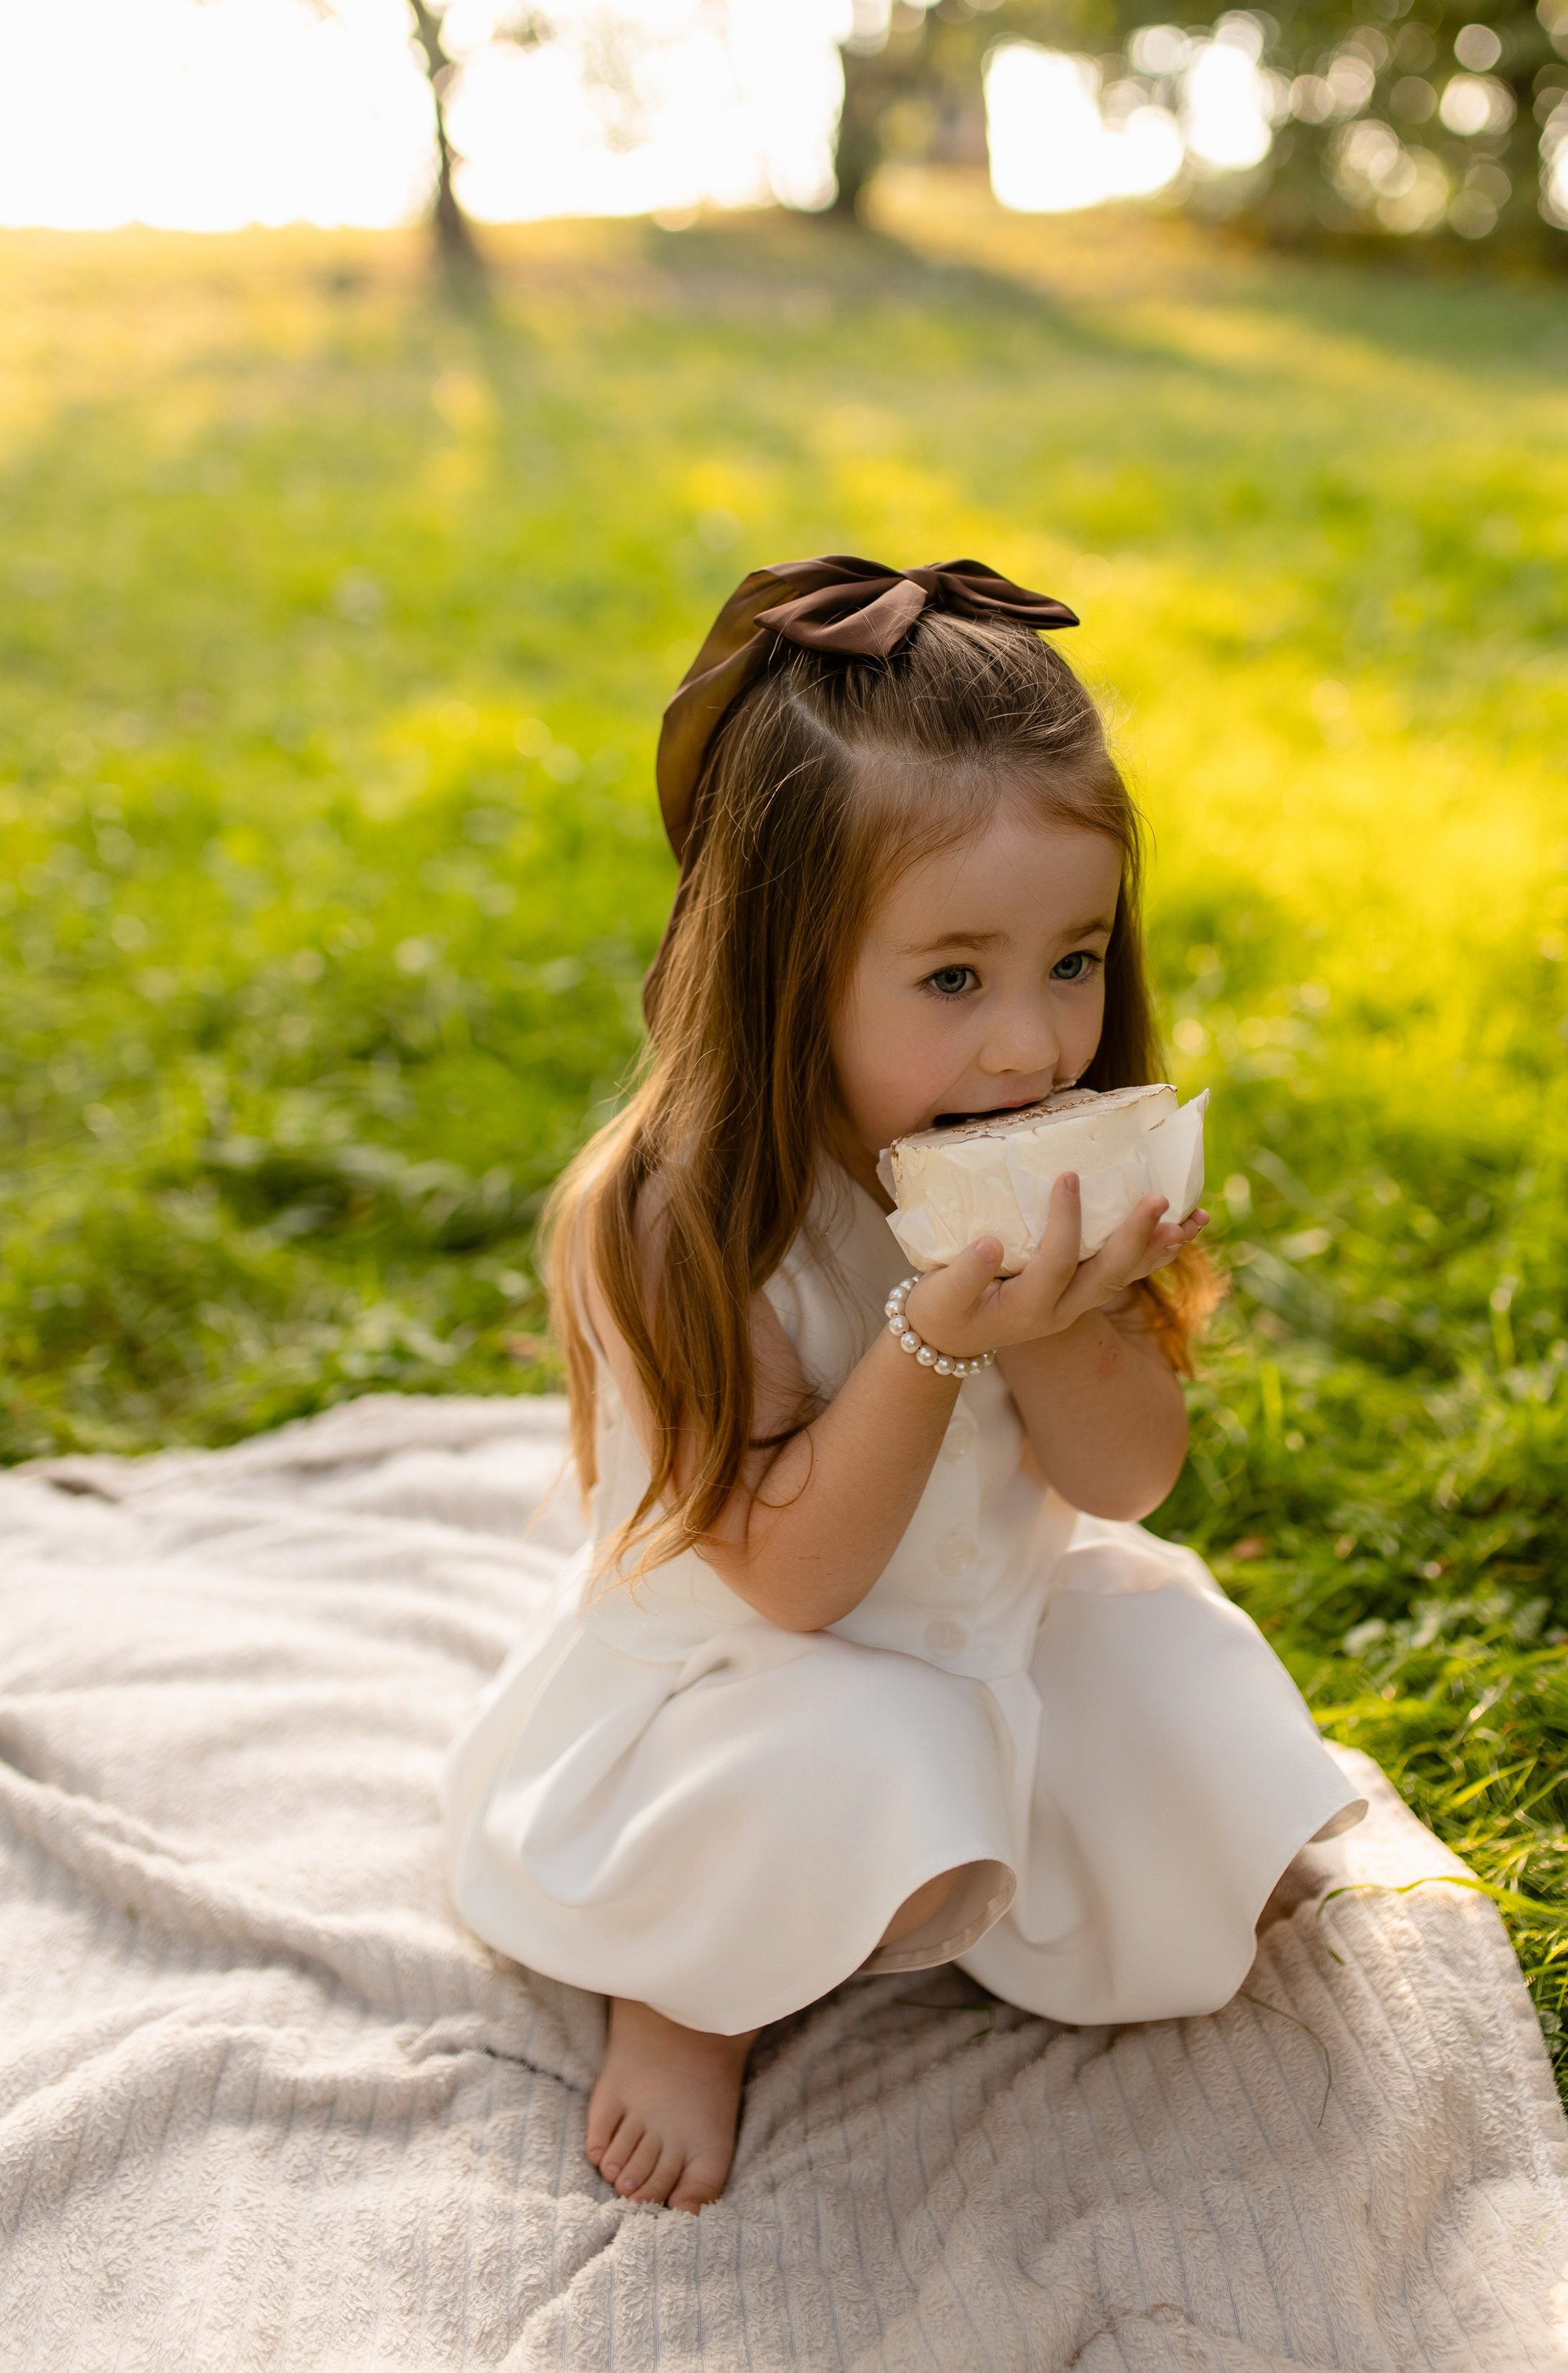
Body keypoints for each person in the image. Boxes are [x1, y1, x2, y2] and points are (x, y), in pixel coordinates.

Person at [441, 557, 1363, 2215]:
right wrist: (934, 1337)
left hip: (983, 1634)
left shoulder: (1034, 1156)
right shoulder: (682, 1215)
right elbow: (793, 1582)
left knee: (1165, 1675)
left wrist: (1060, 1317)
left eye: (1072, 961)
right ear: (781, 968)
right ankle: (684, 1991)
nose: (1030, 1046)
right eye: (952, 980)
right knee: (855, 1745)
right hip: (753, 1685)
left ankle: (983, 1861)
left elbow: (1125, 1483)